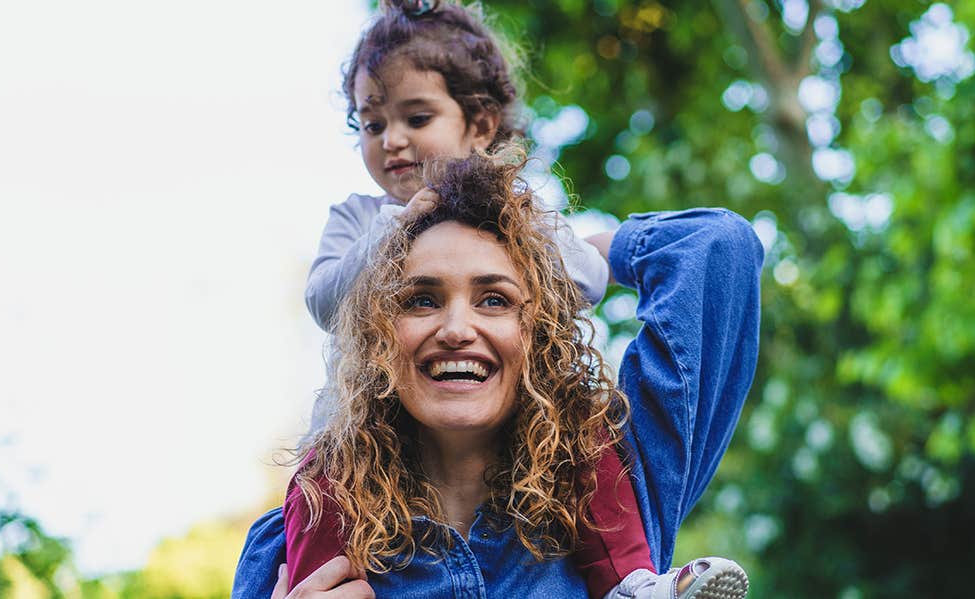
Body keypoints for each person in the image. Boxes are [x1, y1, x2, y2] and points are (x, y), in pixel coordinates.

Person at [284, 0, 713, 596]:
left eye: (417, 116)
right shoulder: (360, 218)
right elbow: (325, 302)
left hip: (523, 443)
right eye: (374, 124)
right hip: (362, 439)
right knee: (315, 493)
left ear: (480, 126)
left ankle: (633, 585)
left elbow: (583, 278)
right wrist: (393, 229)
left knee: (587, 443)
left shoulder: (519, 215)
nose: (394, 141)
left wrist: (543, 246)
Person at [232, 149, 762, 598]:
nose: (457, 328)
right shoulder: (302, 532)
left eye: (494, 299)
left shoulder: (620, 479)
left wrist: (585, 255)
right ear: (378, 335)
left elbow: (718, 245)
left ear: (538, 332)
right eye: (420, 300)